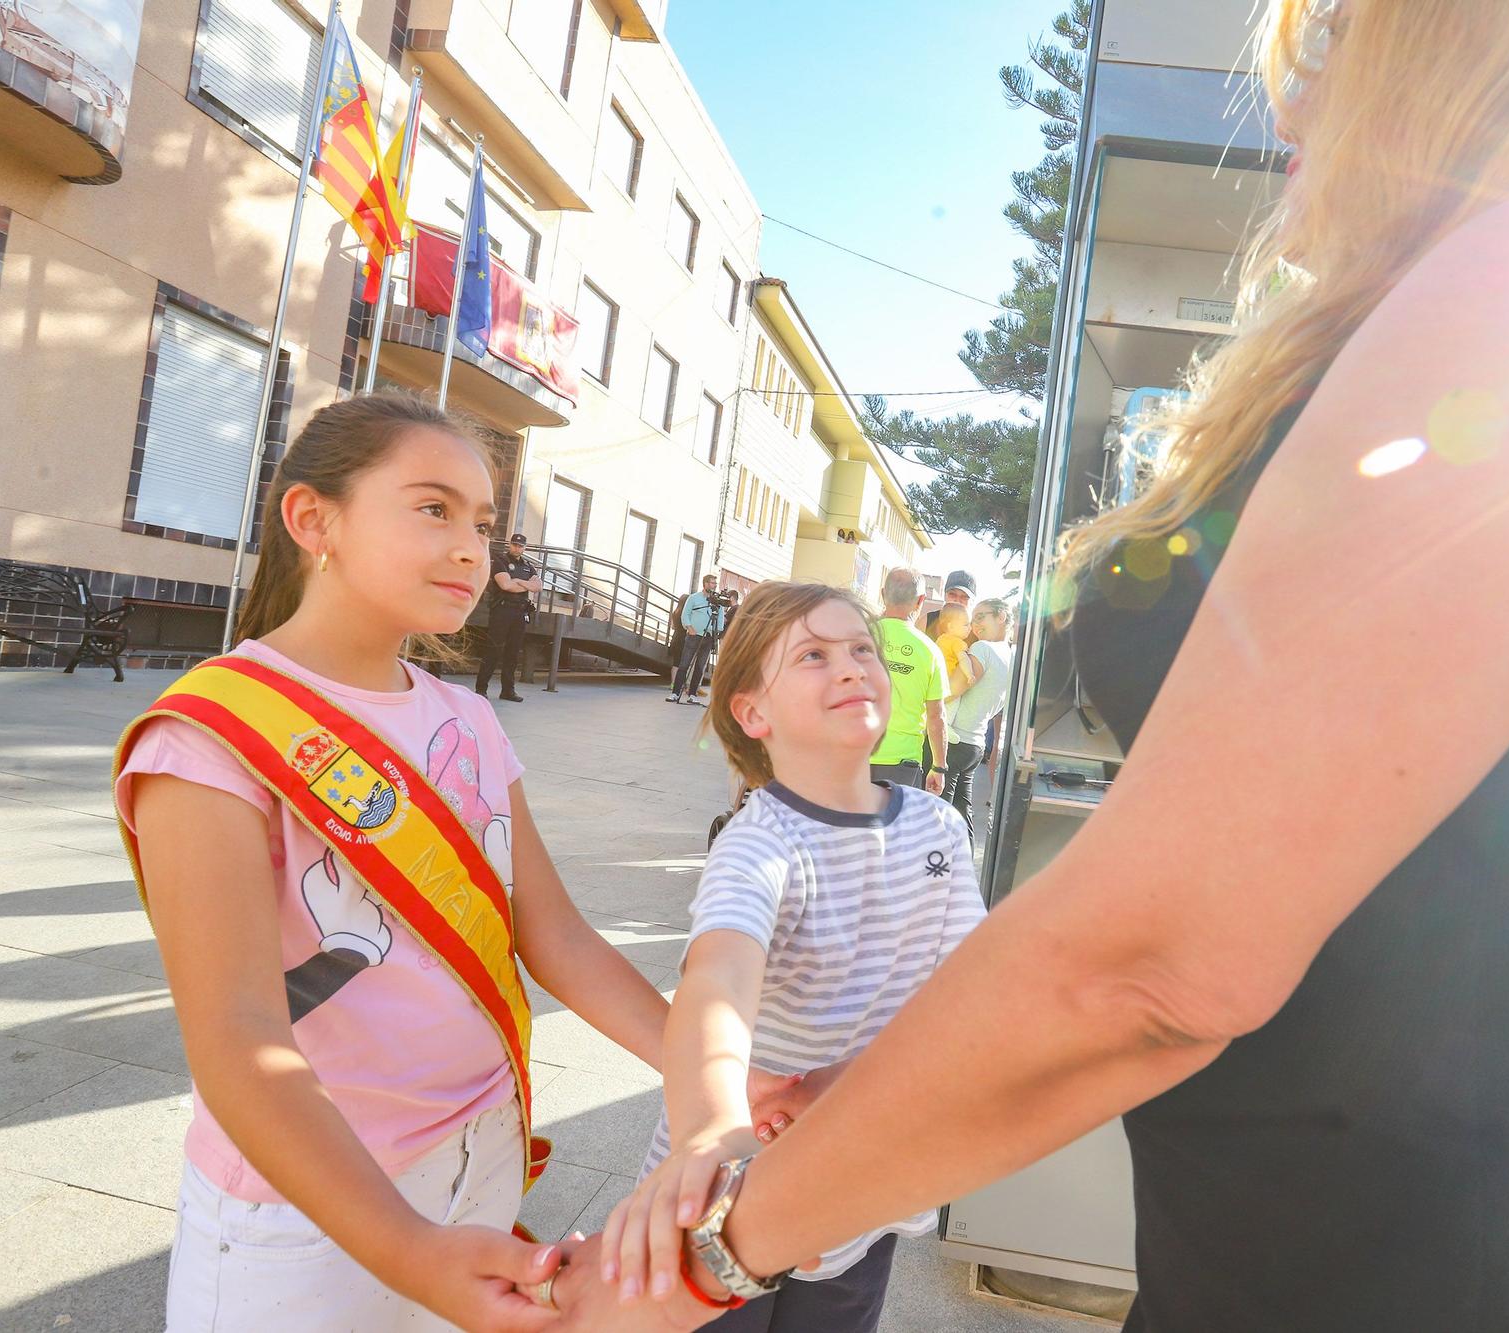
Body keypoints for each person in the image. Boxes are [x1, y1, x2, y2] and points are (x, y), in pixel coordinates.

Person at [540, 4, 1509, 1330]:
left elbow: (1155, 966)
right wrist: (881, 1089)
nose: (1294, 103)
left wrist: (711, 1252)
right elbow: (1441, 931)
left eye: (1325, 41)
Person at [111, 393, 684, 1331]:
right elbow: (236, 1040)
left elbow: (556, 934)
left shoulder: (469, 719)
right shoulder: (207, 740)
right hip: (309, 1204)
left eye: (484, 522)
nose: (473, 547)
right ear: (314, 519)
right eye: (432, 508)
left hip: (481, 1158)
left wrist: (707, 1075)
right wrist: (404, 1247)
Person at [602, 581, 985, 1331]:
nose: (850, 667)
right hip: (734, 1183)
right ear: (753, 712)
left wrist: (841, 1088)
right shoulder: (761, 840)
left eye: (860, 650)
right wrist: (714, 1129)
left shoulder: (937, 826)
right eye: (813, 655)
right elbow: (717, 975)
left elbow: (970, 988)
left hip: (861, 1171)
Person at [867, 568, 949, 795]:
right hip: (902, 764)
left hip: (853, 753)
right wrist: (939, 767)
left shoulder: (858, 636)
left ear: (883, 594)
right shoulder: (930, 651)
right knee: (894, 830)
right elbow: (936, 716)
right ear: (920, 601)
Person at [942, 598, 1013, 835]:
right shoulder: (1011, 657)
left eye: (981, 616)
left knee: (938, 815)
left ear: (1001, 616)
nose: (975, 624)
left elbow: (952, 690)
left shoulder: (983, 649)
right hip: (975, 745)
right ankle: (962, 869)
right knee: (962, 815)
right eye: (973, 619)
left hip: (953, 740)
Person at [476, 533, 540, 702]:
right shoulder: (501, 561)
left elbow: (537, 587)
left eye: (520, 546)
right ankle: (481, 689)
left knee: (513, 653)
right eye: (514, 545)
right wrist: (526, 584)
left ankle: (508, 691)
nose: (517, 548)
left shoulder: (528, 566)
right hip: (502, 611)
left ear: (524, 548)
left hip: (520, 612)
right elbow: (505, 585)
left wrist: (517, 581)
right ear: (510, 545)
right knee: (493, 649)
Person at [671, 575, 726, 706]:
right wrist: (689, 628)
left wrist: (716, 631)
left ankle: (692, 694)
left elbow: (720, 619)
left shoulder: (717, 602)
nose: (714, 585)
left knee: (700, 667)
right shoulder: (694, 598)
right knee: (684, 664)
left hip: (708, 637)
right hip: (693, 635)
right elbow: (685, 614)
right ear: (705, 584)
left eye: (715, 583)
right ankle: (675, 693)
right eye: (712, 583)